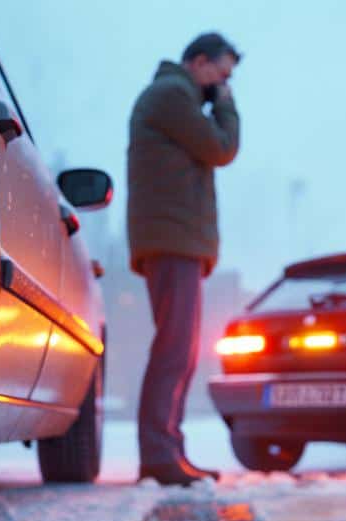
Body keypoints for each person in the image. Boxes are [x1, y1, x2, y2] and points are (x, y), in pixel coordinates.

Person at [127, 33, 241, 485]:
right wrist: (226, 104)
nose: (224, 83)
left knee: (182, 350)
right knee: (175, 349)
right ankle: (159, 455)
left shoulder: (177, 96)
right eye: (222, 73)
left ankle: (169, 451)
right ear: (198, 62)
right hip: (172, 241)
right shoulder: (171, 94)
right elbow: (221, 148)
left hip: (176, 241)